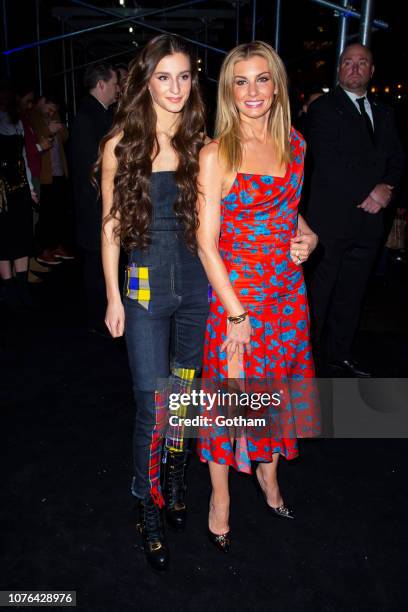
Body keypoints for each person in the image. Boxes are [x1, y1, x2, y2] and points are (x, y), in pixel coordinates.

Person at [196, 41, 319, 552]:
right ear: (228, 90)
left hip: (288, 293)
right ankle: (220, 497)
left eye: (262, 79)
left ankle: (269, 478)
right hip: (236, 298)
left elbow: (291, 214)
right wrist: (237, 314)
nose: (253, 91)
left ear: (277, 85)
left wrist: (309, 237)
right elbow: (205, 242)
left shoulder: (296, 144)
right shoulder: (215, 152)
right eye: (241, 81)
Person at [100, 35, 208, 570]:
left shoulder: (200, 140)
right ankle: (147, 501)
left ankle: (175, 471)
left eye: (184, 76)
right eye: (164, 76)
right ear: (145, 80)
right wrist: (113, 296)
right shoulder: (121, 143)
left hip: (195, 280)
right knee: (151, 401)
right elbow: (111, 227)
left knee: (184, 390)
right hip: (142, 281)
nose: (175, 87)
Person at [306, 44, 405, 376]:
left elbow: (397, 159)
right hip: (330, 224)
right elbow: (330, 164)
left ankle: (340, 354)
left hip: (369, 223)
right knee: (319, 295)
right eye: (348, 62)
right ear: (338, 69)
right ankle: (308, 361)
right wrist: (370, 191)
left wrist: (387, 190)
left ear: (372, 71)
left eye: (362, 62)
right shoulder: (322, 110)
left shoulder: (384, 112)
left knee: (352, 294)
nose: (354, 67)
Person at [70, 63, 118, 333]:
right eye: (113, 83)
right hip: (94, 202)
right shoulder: (89, 116)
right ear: (101, 84)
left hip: (96, 200)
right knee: (95, 263)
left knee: (98, 262)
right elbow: (92, 165)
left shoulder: (97, 113)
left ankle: (99, 316)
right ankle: (97, 319)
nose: (117, 88)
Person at [0, 81, 37, 310]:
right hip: (1, 192)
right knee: (4, 240)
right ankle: (10, 288)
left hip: (20, 187)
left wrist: (31, 186)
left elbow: (22, 157)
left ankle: (22, 287)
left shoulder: (18, 122)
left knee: (22, 237)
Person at [30, 93, 73, 265]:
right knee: (45, 214)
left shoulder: (54, 115)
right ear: (42, 101)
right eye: (49, 108)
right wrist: (50, 129)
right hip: (43, 174)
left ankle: (56, 246)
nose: (51, 112)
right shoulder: (33, 116)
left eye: (54, 110)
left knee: (59, 212)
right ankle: (43, 250)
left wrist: (58, 128)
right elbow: (35, 140)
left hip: (59, 171)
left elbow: (65, 136)